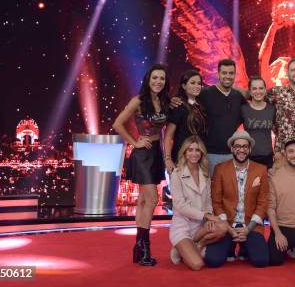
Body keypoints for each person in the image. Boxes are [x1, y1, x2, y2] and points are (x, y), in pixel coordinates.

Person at [113, 64, 169, 266]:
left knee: (144, 202)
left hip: (156, 152)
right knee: (152, 199)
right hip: (142, 154)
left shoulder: (164, 101)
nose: (158, 81)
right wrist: (134, 141)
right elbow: (118, 123)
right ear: (148, 79)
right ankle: (144, 246)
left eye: (162, 78)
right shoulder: (138, 101)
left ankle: (139, 248)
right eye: (155, 77)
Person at [171, 59, 246, 176]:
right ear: (218, 74)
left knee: (230, 192)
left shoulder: (238, 96)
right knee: (211, 192)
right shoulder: (205, 93)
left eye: (231, 73)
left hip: (232, 155)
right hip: (209, 154)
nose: (228, 76)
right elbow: (189, 97)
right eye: (224, 73)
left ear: (234, 75)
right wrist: (175, 100)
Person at [205, 131, 270, 268]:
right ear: (232, 149)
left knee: (261, 261)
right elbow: (216, 202)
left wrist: (248, 229)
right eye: (237, 146)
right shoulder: (220, 169)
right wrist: (229, 229)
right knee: (213, 261)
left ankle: (245, 247)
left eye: (245, 146)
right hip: (227, 225)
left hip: (250, 225)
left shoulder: (261, 170)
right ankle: (231, 246)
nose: (241, 150)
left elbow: (263, 203)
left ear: (250, 149)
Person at [169, 136, 227, 270]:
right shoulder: (176, 174)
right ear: (184, 152)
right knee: (197, 264)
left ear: (202, 153)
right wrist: (205, 216)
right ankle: (179, 248)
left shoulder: (205, 174)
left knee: (222, 228)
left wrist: (209, 216)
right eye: (190, 150)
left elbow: (208, 201)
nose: (194, 153)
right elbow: (179, 205)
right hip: (182, 226)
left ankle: (197, 245)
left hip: (200, 227)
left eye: (197, 150)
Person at [163, 69, 207, 173]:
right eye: (192, 83)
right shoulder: (178, 106)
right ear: (183, 86)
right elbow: (168, 135)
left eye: (199, 83)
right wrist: (168, 159)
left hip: (198, 158)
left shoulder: (200, 106)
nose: (197, 86)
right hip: (181, 158)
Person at [241, 76, 276, 168]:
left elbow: (277, 131)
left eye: (261, 88)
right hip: (249, 156)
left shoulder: (272, 109)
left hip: (267, 157)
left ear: (265, 90)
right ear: (250, 91)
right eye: (254, 88)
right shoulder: (243, 109)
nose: (258, 91)